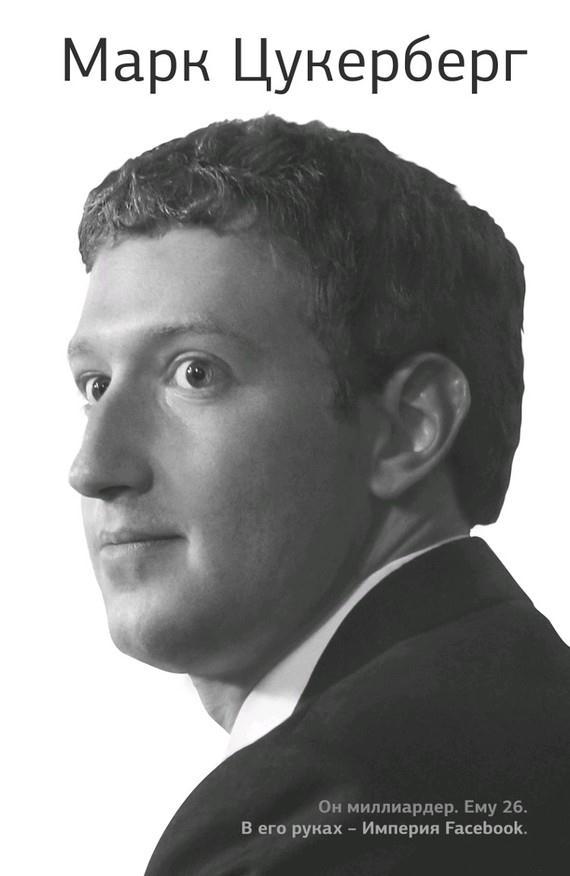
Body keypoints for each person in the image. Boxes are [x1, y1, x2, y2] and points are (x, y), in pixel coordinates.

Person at [68, 116, 570, 874]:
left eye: (195, 372)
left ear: (408, 427)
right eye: (95, 384)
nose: (93, 467)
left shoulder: (332, 809)